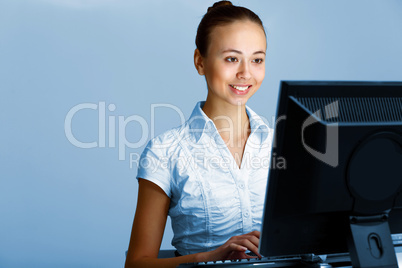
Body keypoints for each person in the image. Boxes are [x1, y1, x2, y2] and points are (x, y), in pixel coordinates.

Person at [125, 1, 273, 267]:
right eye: (231, 59)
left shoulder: (283, 146)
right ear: (200, 62)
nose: (245, 73)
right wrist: (210, 257)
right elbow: (137, 263)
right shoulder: (165, 151)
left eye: (257, 60)